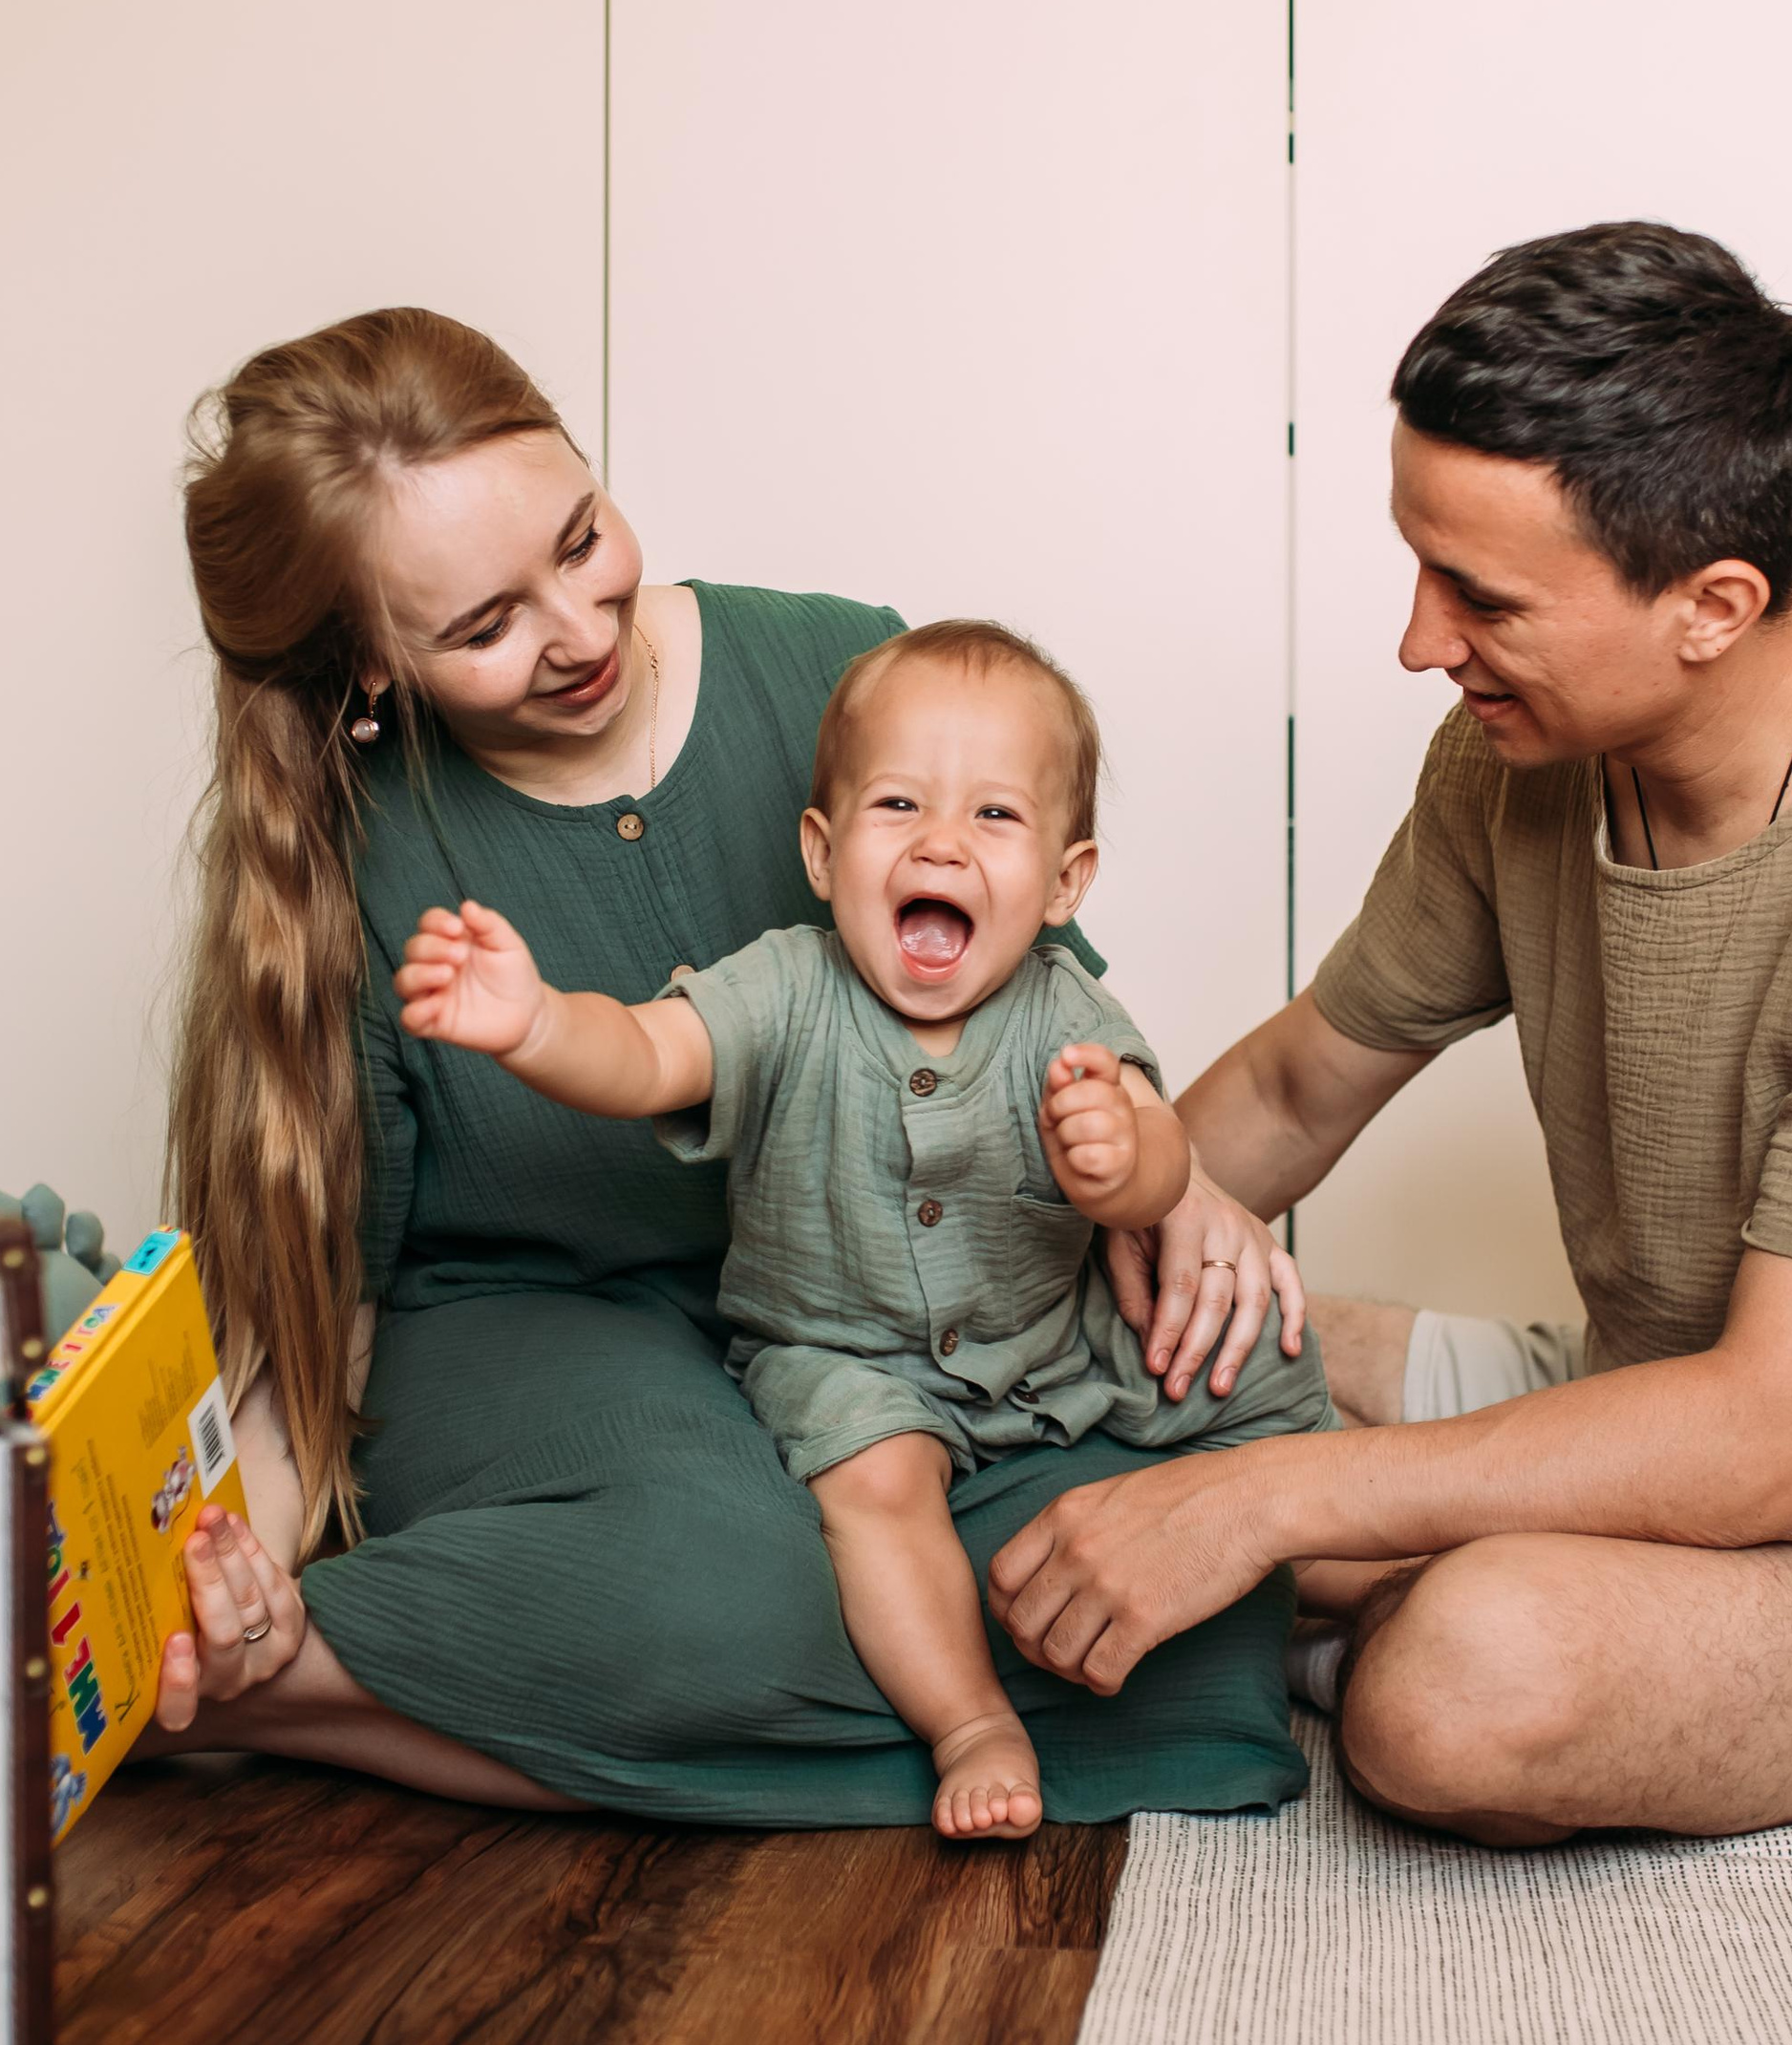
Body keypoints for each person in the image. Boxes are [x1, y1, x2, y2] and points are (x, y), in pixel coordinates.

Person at [987, 224, 1792, 1843]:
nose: (1421, 641)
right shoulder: (1514, 754)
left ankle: (1365, 1612)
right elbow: (1292, 1087)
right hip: (1659, 1388)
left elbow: (1772, 1444)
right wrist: (1007, 1293)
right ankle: (1349, 1585)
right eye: (1416, 565)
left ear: (1712, 604)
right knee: (1139, 1327)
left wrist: (1257, 1499)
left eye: (1478, 595)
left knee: (1468, 1680)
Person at [142, 309, 1310, 1821]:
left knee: (1151, 1541)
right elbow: (317, 1324)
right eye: (488, 624)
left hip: (873, 1316)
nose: (578, 627)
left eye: (582, 536)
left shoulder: (833, 660)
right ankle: (299, 1687)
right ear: (373, 663)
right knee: (735, 1589)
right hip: (537, 1332)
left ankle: (518, 1671)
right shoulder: (359, 845)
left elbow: (1037, 1001)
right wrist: (229, 1564)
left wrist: (1182, 1184)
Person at [392, 619, 1331, 1837]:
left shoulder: (1063, 1008)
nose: (941, 839)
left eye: (994, 816)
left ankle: (1354, 1566)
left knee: (1259, 1359)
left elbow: (1159, 1176)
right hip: (846, 1353)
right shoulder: (782, 985)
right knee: (878, 1485)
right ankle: (969, 1719)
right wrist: (534, 1025)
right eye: (899, 803)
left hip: (1052, 1337)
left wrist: (1125, 1161)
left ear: (1063, 881)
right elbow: (642, 1053)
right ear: (824, 853)